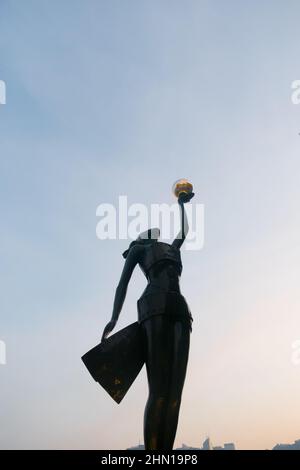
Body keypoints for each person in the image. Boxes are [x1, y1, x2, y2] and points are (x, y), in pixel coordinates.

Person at [101, 192, 194, 450]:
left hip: (180, 309)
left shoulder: (172, 248)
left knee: (175, 395)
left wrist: (181, 205)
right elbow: (122, 284)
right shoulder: (139, 250)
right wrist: (114, 318)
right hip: (154, 308)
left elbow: (185, 231)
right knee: (159, 392)